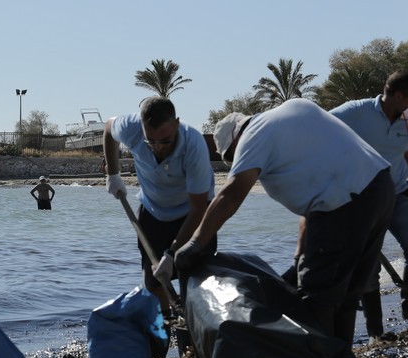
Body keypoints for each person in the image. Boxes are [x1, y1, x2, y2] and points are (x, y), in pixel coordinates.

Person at [175, 98, 394, 344]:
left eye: (232, 155)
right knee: (347, 291)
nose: (237, 160)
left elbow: (231, 194)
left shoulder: (254, 135)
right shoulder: (294, 110)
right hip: (380, 188)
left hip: (345, 204)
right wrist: (298, 257)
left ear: (236, 137)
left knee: (317, 295)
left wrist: (195, 243)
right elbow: (310, 205)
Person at [103, 96, 216, 313]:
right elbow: (109, 128)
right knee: (154, 281)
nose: (157, 148)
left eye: (165, 140)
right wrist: (113, 174)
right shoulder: (131, 127)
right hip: (153, 213)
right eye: (150, 141)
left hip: (192, 214)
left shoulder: (194, 145)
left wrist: (172, 253)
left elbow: (199, 209)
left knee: (196, 282)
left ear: (176, 124)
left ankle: (193, 336)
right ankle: (164, 330)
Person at [330, 70, 408, 338]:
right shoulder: (355, 112)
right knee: (368, 267)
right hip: (362, 201)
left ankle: (407, 315)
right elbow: (320, 128)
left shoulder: (405, 121)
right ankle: (377, 333)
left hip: (399, 195)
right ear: (398, 96)